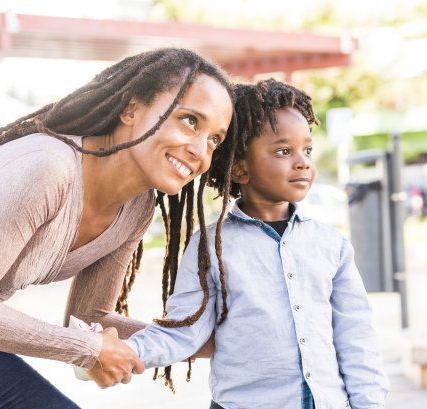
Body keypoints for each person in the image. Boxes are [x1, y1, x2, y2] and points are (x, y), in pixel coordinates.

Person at [0, 48, 235, 409]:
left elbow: (89, 318)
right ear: (131, 109)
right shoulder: (48, 169)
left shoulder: (136, 208)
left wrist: (214, 340)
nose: (201, 151)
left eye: (215, 139)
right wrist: (89, 349)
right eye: (190, 120)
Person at [125, 79, 390, 409]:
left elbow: (356, 339)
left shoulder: (331, 244)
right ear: (239, 168)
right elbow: (184, 331)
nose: (302, 162)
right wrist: (126, 353)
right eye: (283, 151)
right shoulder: (210, 246)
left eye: (307, 150)